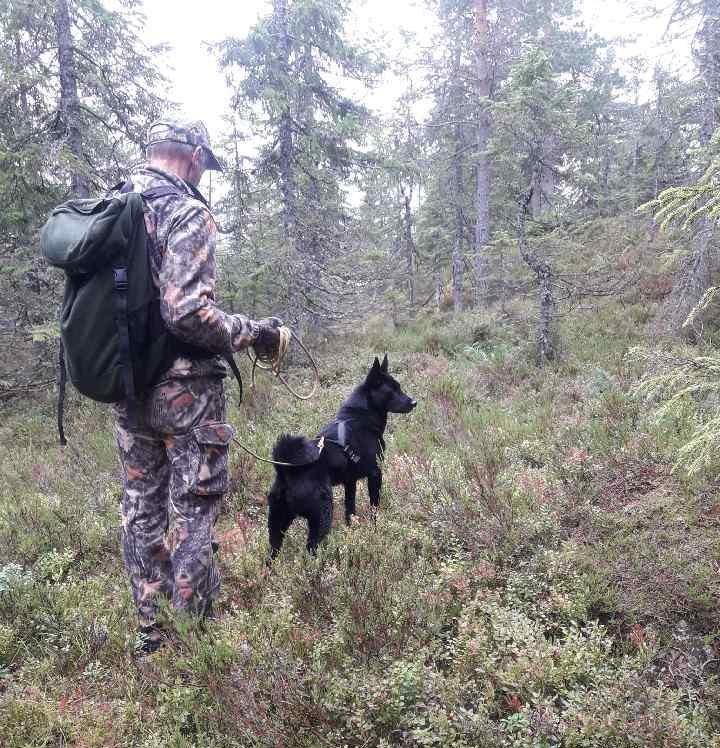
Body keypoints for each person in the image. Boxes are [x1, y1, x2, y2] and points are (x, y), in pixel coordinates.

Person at [113, 118, 282, 653]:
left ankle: (151, 633)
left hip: (126, 385)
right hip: (186, 392)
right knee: (195, 508)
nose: (204, 176)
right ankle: (194, 644)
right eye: (205, 167)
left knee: (141, 507)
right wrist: (254, 332)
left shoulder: (114, 208)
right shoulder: (187, 212)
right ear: (192, 158)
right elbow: (187, 313)